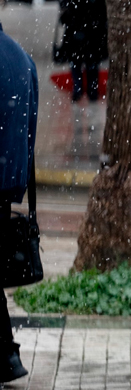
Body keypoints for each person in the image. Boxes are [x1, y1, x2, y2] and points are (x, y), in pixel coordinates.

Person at [0, 20, 38, 384]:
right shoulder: (21, 58)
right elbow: (30, 129)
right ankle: (6, 356)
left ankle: (7, 356)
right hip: (7, 182)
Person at [59, 0, 107, 155]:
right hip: (92, 41)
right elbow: (103, 18)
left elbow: (64, 18)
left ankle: (78, 91)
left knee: (76, 67)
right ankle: (92, 92)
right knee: (92, 67)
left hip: (75, 40)